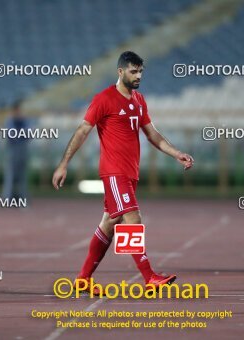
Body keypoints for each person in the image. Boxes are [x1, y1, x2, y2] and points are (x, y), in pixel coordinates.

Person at [52, 51, 194, 293]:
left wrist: (176, 153)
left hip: (130, 174)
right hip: (114, 172)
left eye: (140, 71)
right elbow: (82, 131)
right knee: (132, 218)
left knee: (109, 222)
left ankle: (83, 279)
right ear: (120, 72)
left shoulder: (139, 100)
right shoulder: (104, 99)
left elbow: (153, 134)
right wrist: (64, 163)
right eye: (133, 71)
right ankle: (150, 277)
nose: (138, 76)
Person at [2, 100, 30, 200]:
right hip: (12, 151)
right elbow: (11, 135)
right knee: (10, 175)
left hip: (22, 150)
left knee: (22, 176)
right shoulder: (10, 120)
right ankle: (7, 198)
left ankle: (23, 198)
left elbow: (29, 134)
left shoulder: (24, 120)